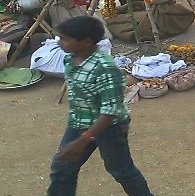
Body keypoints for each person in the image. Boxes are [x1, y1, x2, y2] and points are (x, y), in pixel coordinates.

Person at [47, 16, 153, 196]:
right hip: (79, 121)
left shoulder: (105, 68)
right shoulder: (71, 59)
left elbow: (111, 110)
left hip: (109, 127)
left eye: (65, 39)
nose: (59, 43)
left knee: (121, 170)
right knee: (62, 167)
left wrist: (83, 140)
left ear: (86, 42)